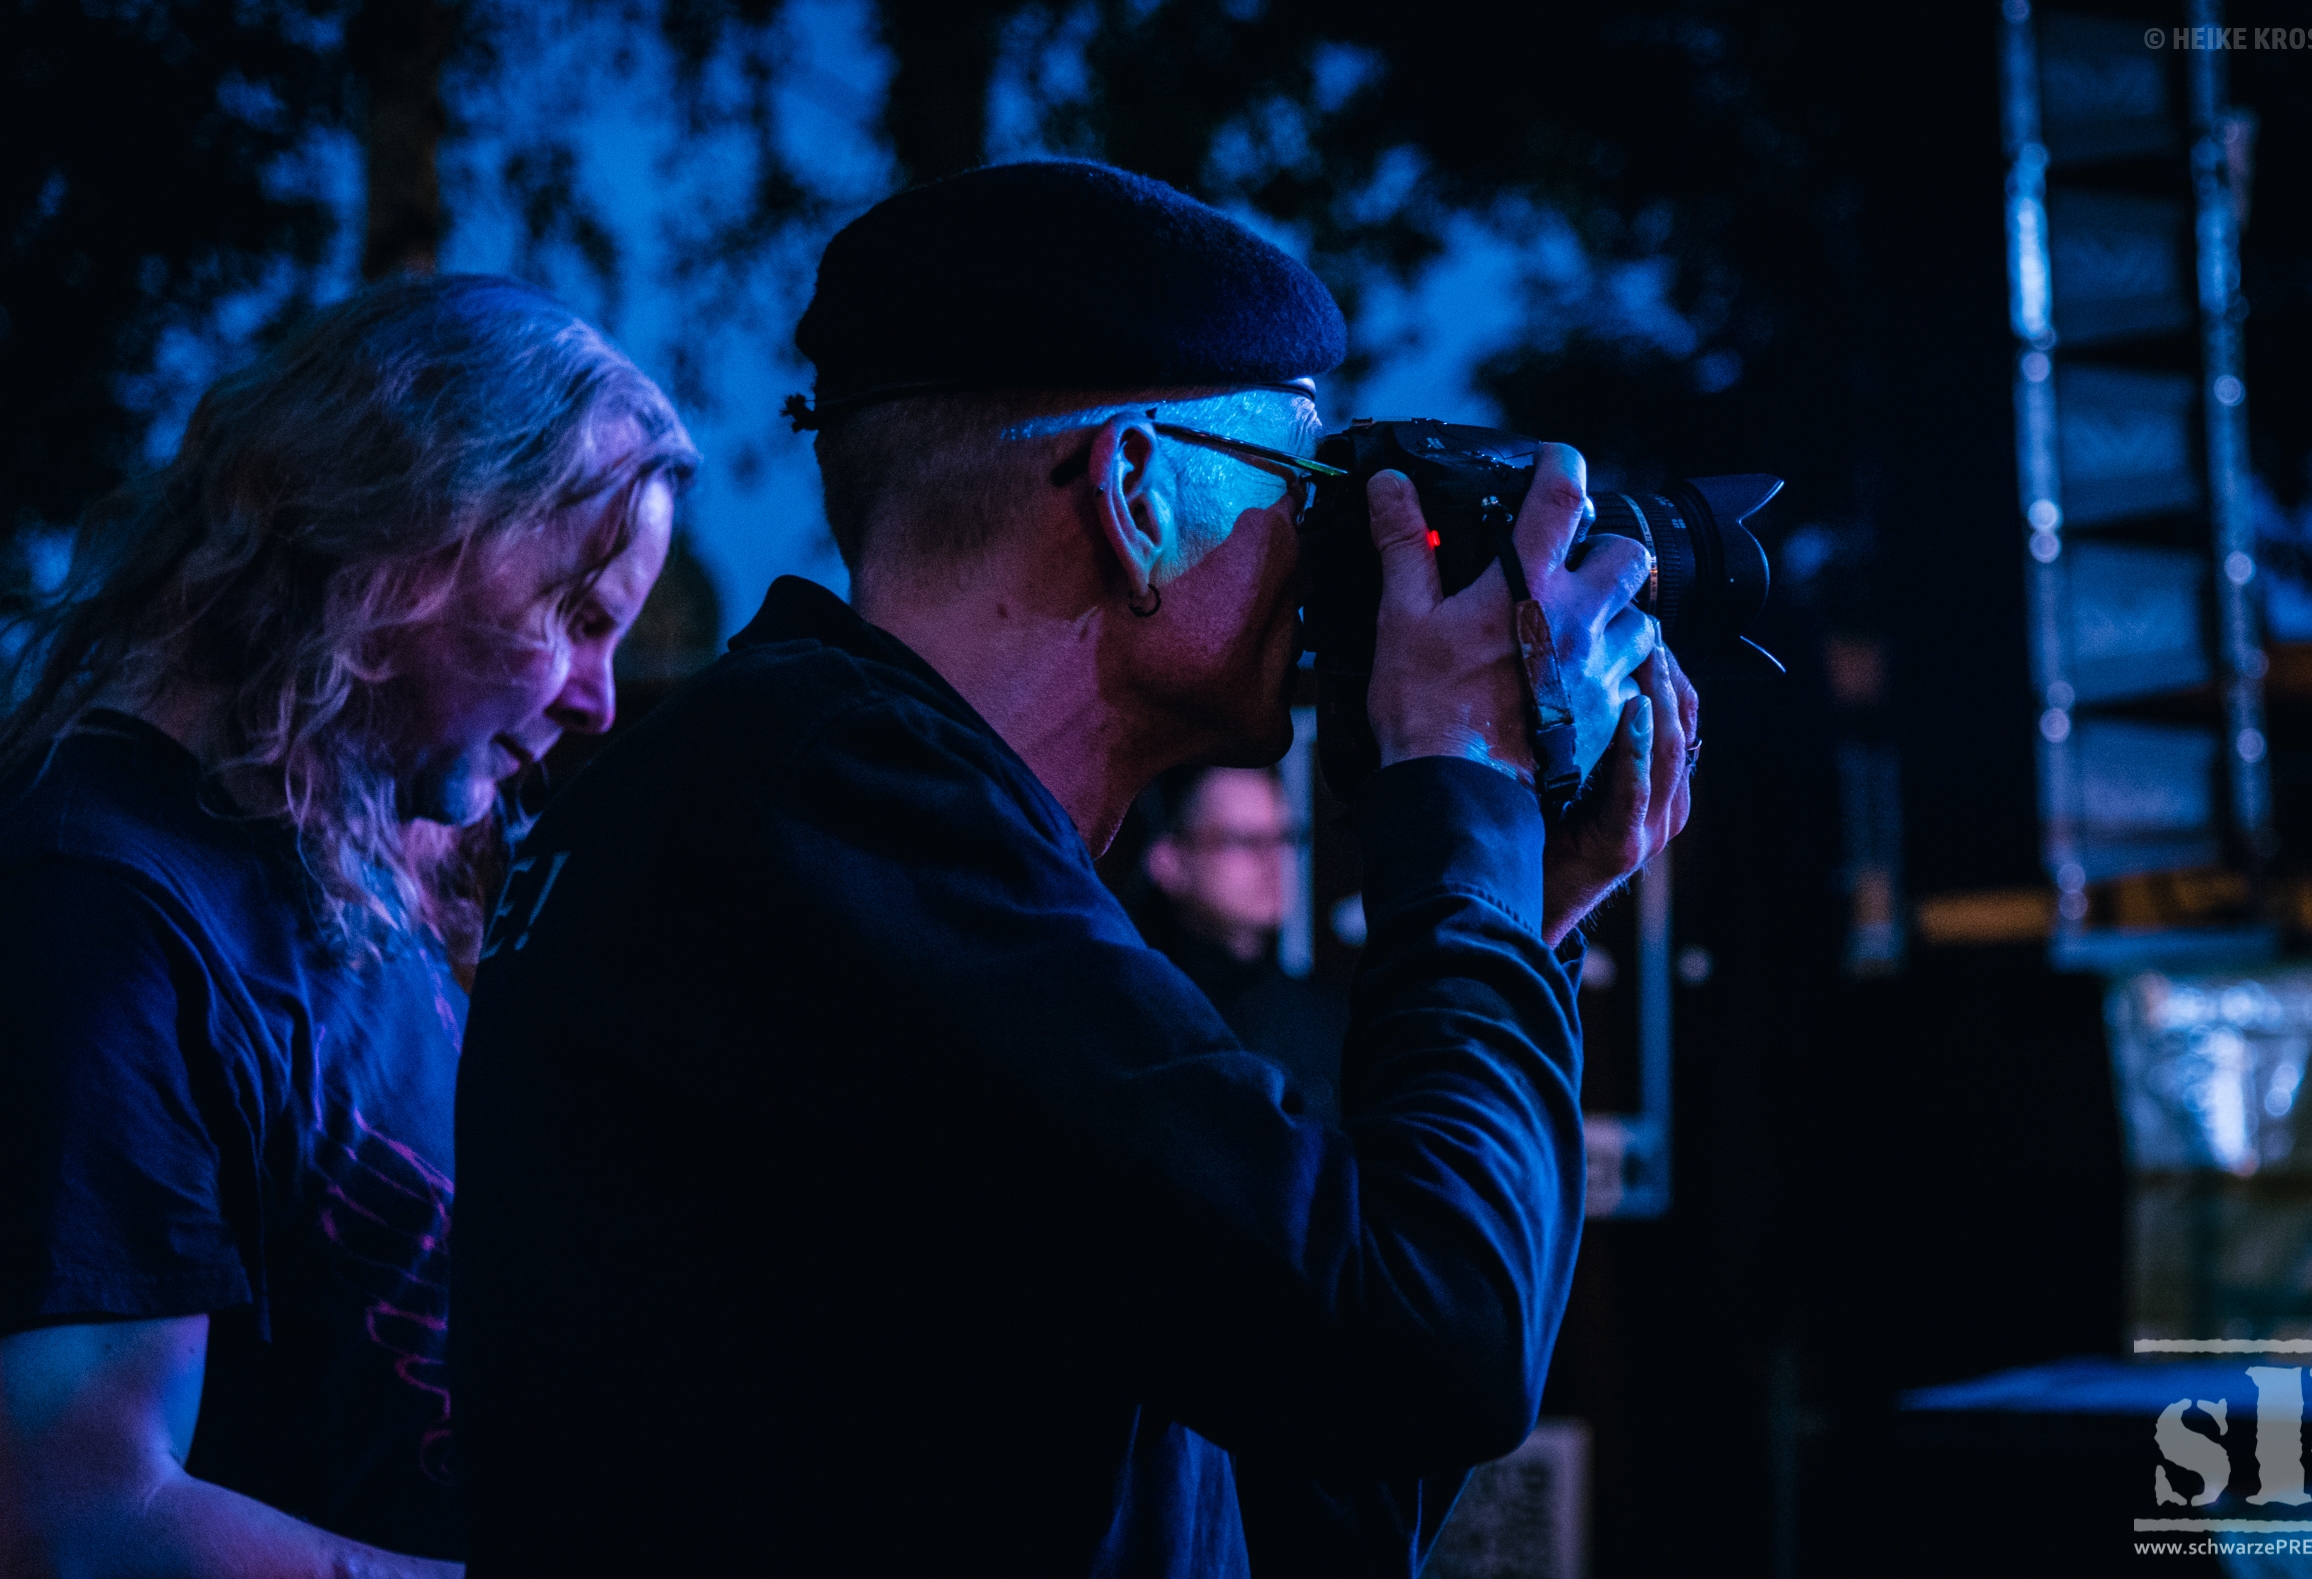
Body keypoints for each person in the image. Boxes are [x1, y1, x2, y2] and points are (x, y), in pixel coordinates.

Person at [452, 161, 1696, 1578]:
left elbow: (1318, 1487)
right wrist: (1461, 791)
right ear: (1135, 494)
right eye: (1301, 487)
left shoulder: (868, 834)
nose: (1324, 557)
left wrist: (1521, 918)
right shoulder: (826, 803)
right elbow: (1429, 1340)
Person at [0, 275, 695, 1577]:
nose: (598, 699)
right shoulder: (104, 912)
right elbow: (76, 1514)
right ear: (409, 535)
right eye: (578, 616)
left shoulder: (352, 878)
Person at [1134, 765, 1343, 1122]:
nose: (1273, 860)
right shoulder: (1140, 1016)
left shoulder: (1328, 1019)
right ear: (1170, 861)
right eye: (1242, 840)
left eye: (1286, 837)